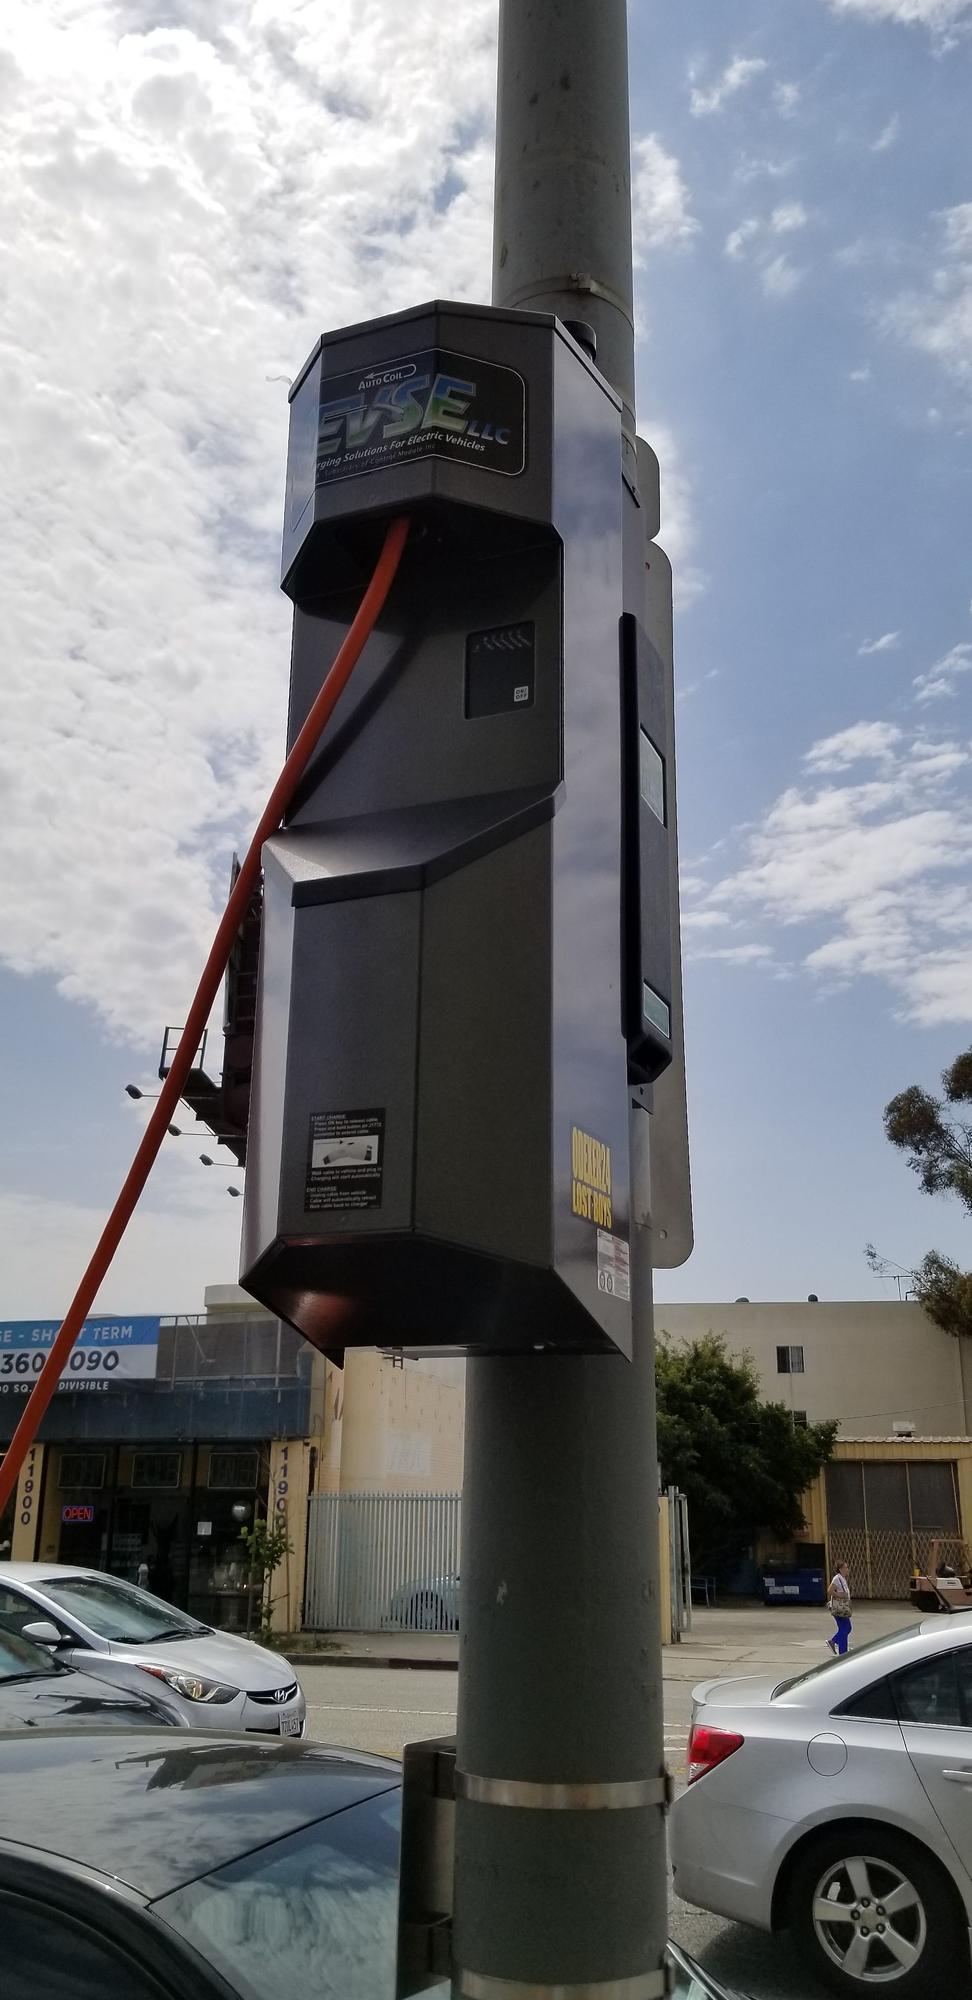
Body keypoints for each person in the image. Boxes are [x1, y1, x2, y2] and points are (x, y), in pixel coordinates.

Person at [827, 1562, 852, 1655]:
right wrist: (839, 1595)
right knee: (844, 1628)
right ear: (840, 1569)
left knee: (847, 1628)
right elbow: (830, 1590)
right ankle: (843, 1652)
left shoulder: (842, 1579)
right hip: (839, 1607)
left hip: (843, 1607)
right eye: (845, 1567)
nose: (847, 1569)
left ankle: (833, 1641)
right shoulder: (837, 1578)